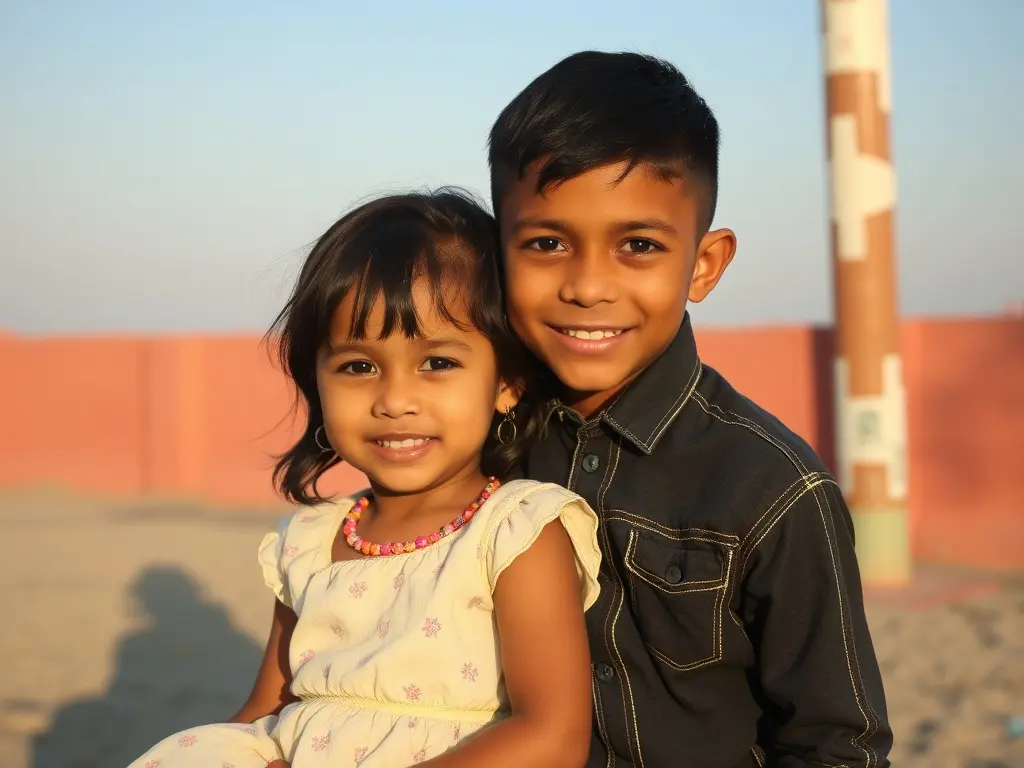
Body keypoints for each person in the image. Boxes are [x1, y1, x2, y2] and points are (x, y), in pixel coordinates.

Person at [489, 51, 893, 767]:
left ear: (703, 265)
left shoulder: (773, 489)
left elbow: (837, 744)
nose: (587, 286)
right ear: (499, 254)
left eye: (637, 246)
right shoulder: (490, 446)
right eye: (547, 243)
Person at [127, 190, 602, 768]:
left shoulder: (516, 532)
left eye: (438, 363)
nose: (396, 400)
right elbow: (264, 710)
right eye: (358, 367)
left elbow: (551, 736)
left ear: (507, 383)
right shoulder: (308, 542)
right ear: (317, 384)